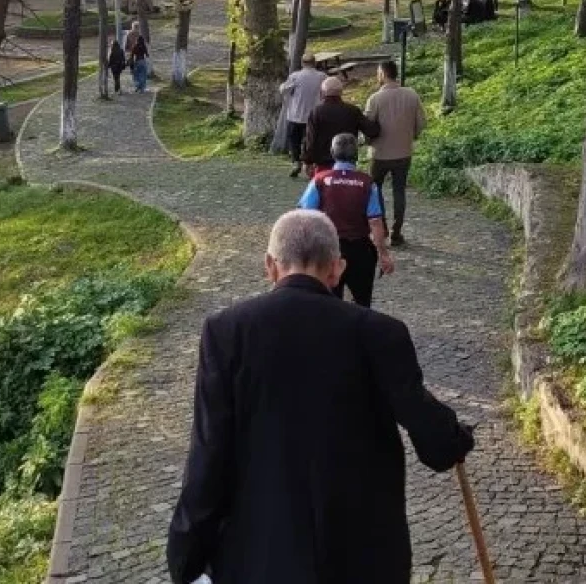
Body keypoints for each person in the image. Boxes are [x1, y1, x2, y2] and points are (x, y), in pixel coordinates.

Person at [166, 210, 475, 584]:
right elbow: (433, 439)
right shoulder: (380, 333)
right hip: (364, 556)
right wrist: (454, 436)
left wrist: (185, 555)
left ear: (270, 266)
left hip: (262, 554)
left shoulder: (227, 331)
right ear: (337, 269)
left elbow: (209, 450)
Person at [299, 133, 394, 307]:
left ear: (332, 153)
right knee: (363, 301)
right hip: (360, 250)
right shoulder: (367, 183)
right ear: (356, 155)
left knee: (329, 303)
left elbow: (306, 217)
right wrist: (383, 254)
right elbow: (375, 221)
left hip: (329, 250)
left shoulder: (319, 181)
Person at [365, 60, 428, 247]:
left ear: (383, 74)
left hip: (379, 154)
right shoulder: (412, 95)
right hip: (403, 152)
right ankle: (397, 231)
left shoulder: (375, 99)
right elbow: (422, 122)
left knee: (375, 190)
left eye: (378, 73)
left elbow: (368, 126)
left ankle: (382, 226)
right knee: (399, 191)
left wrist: (368, 141)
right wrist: (411, 135)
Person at [303, 76, 379, 174]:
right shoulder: (352, 111)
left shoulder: (316, 112)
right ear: (341, 92)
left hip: (323, 164)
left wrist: (307, 161)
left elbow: (311, 139)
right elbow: (371, 131)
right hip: (347, 163)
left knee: (323, 187)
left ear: (323, 92)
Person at [278, 52, 326, 177]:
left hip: (295, 114)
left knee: (294, 140)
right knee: (311, 141)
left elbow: (284, 89)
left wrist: (283, 86)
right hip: (314, 115)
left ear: (302, 63)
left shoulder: (296, 76)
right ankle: (309, 165)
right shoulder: (322, 76)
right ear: (315, 63)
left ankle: (296, 162)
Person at [128, 21, 150, 93]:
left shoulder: (129, 35)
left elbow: (127, 48)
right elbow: (146, 51)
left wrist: (130, 58)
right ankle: (142, 88)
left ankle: (137, 86)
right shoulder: (141, 39)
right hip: (141, 59)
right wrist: (147, 55)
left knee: (136, 73)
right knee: (143, 74)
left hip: (135, 59)